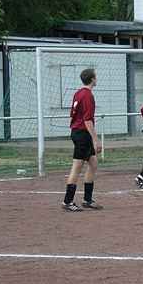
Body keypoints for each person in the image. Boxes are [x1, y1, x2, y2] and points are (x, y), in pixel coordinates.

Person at [61, 68, 103, 211]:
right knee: (77, 166)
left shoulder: (78, 93)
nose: (97, 79)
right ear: (92, 79)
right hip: (82, 133)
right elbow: (87, 120)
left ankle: (87, 199)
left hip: (78, 131)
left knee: (93, 163)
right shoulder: (87, 95)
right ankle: (68, 201)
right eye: (96, 77)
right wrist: (96, 139)